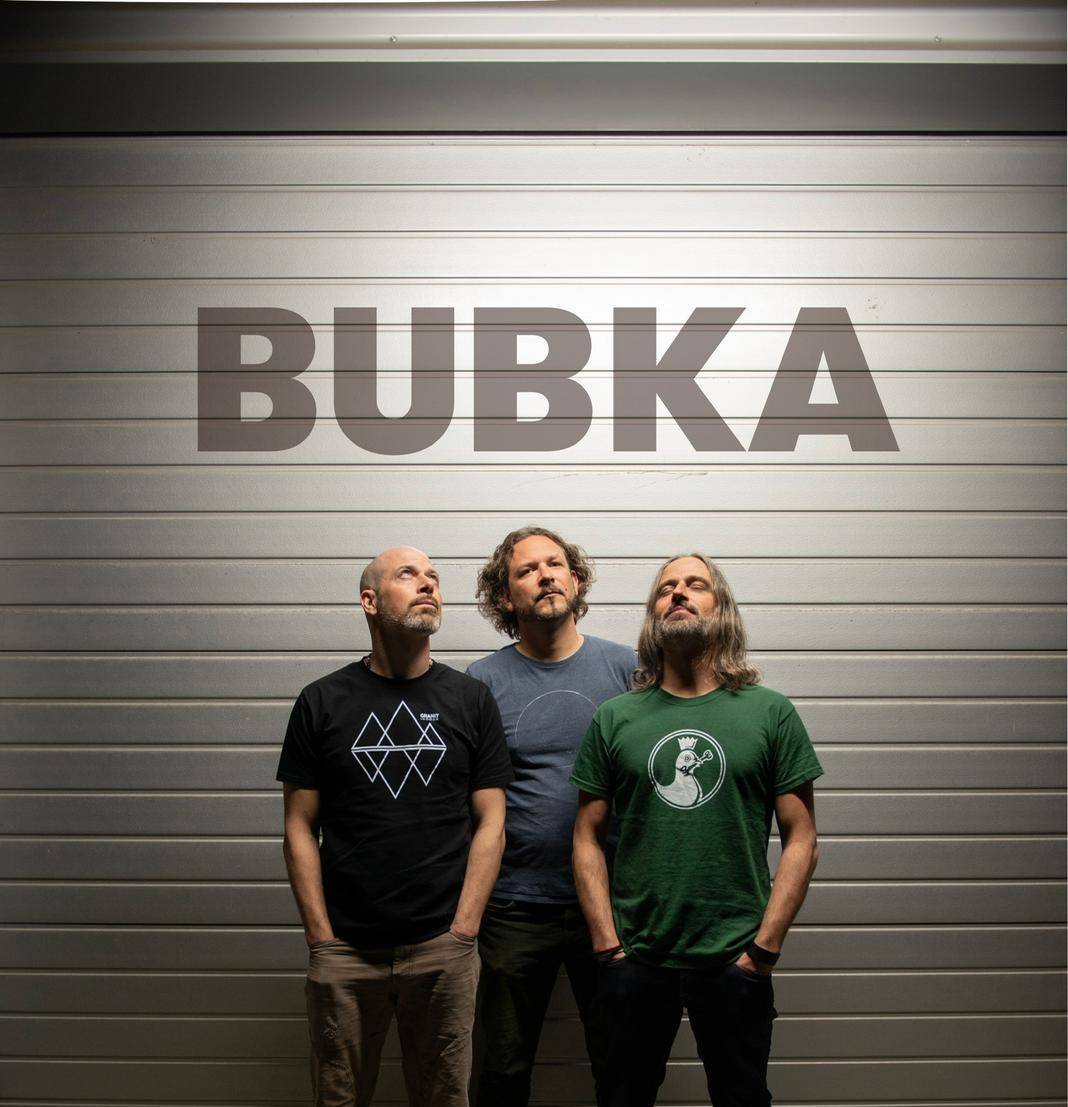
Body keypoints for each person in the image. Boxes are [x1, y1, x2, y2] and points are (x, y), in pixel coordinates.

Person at [570, 554, 822, 1107]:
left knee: (742, 1099)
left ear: (721, 608)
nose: (678, 594)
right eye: (666, 588)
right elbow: (586, 836)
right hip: (636, 956)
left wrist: (763, 951)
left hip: (734, 957)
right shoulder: (615, 717)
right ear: (652, 615)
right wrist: (607, 945)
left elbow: (801, 838)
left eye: (694, 585)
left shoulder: (770, 712)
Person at [277, 546, 513, 1107]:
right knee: (339, 1099)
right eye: (408, 575)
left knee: (444, 1099)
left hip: (442, 947)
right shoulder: (320, 701)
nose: (428, 584)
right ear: (369, 601)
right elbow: (298, 828)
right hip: (346, 949)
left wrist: (463, 931)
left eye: (434, 576)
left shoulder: (471, 699)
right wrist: (320, 938)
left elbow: (492, 821)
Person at [467, 526, 636, 1107]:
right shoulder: (482, 682)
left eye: (555, 564)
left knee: (622, 1069)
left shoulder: (628, 669)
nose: (545, 576)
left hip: (613, 907)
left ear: (576, 580)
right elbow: (469, 800)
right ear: (505, 596)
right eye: (526, 570)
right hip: (514, 906)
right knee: (502, 1072)